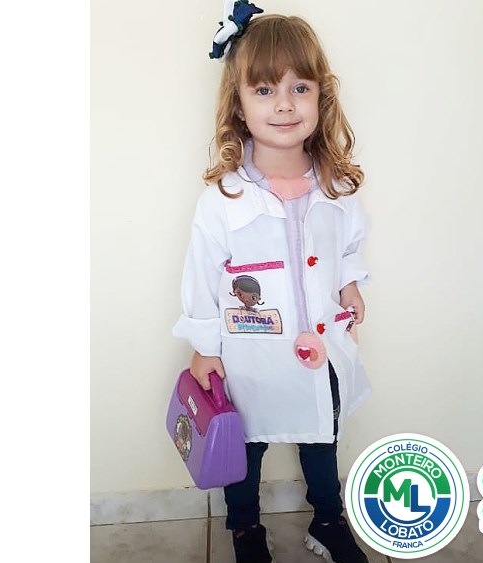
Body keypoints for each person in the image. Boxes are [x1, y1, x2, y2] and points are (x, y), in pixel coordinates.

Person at [173, 3, 371, 562]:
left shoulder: (336, 188)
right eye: (264, 90)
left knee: (322, 435)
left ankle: (328, 520)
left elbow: (349, 247)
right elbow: (201, 275)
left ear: (320, 97)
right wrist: (205, 348)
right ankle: (244, 529)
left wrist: (351, 285)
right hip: (249, 355)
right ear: (238, 104)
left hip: (320, 348)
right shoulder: (224, 199)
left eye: (299, 88)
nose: (284, 104)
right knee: (247, 446)